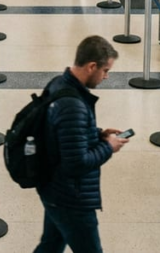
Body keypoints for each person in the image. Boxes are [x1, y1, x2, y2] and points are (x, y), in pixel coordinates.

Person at [34, 36, 128, 253]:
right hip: (71, 198)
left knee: (51, 245)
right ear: (91, 66)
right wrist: (109, 147)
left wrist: (98, 133)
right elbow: (76, 163)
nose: (106, 77)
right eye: (105, 70)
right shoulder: (73, 105)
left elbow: (61, 132)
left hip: (53, 189)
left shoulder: (59, 82)